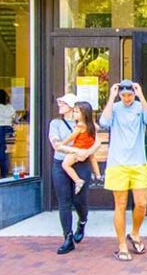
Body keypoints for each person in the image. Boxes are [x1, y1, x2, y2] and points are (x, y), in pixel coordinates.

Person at [100, 79, 147, 262]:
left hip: (138, 162)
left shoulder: (141, 106)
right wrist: (111, 97)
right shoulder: (115, 108)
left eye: (130, 95)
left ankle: (135, 233)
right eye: (123, 95)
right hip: (118, 163)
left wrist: (141, 95)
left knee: (141, 203)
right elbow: (104, 122)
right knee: (121, 205)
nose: (126, 98)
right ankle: (122, 245)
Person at [49, 94, 101, 255]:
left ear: (73, 107)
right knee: (64, 201)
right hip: (60, 164)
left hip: (82, 164)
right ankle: (68, 238)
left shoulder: (86, 124)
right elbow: (56, 144)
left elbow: (98, 142)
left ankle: (82, 221)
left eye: (63, 103)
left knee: (80, 200)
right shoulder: (55, 123)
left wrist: (87, 153)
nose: (60, 105)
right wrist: (78, 150)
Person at [59, 102, 102, 194]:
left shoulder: (80, 126)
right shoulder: (92, 125)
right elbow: (97, 128)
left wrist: (62, 144)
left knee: (65, 164)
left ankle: (78, 180)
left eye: (76, 112)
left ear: (84, 114)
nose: (74, 114)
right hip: (88, 147)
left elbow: (72, 137)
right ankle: (98, 175)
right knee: (92, 158)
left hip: (79, 149)